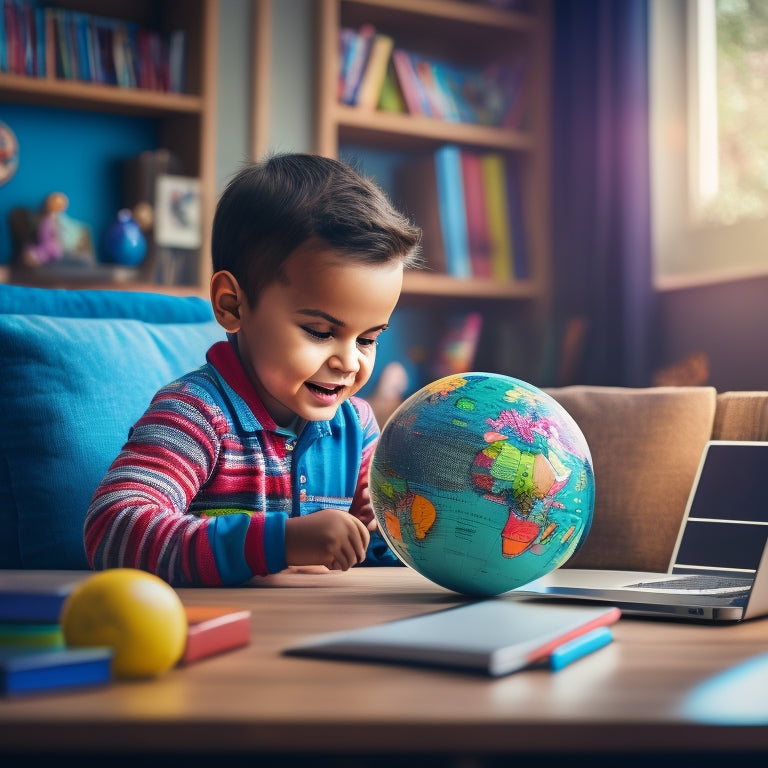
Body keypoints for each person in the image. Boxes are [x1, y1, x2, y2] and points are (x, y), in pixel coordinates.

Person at [84, 153, 421, 586]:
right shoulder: (194, 416)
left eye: (368, 339)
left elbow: (374, 564)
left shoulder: (356, 427)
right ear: (232, 305)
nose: (350, 362)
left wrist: (387, 532)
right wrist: (278, 542)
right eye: (320, 331)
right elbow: (112, 530)